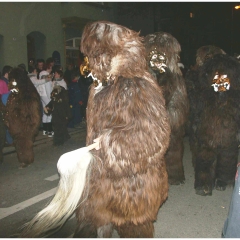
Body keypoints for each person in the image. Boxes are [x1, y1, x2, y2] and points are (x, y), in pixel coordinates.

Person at [39, 63, 54, 137]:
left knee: (45, 113)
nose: (51, 69)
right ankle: (50, 131)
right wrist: (50, 97)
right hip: (47, 95)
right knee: (50, 112)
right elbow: (48, 87)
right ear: (49, 68)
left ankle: (45, 130)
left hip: (41, 95)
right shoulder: (48, 76)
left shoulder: (41, 75)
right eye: (51, 68)